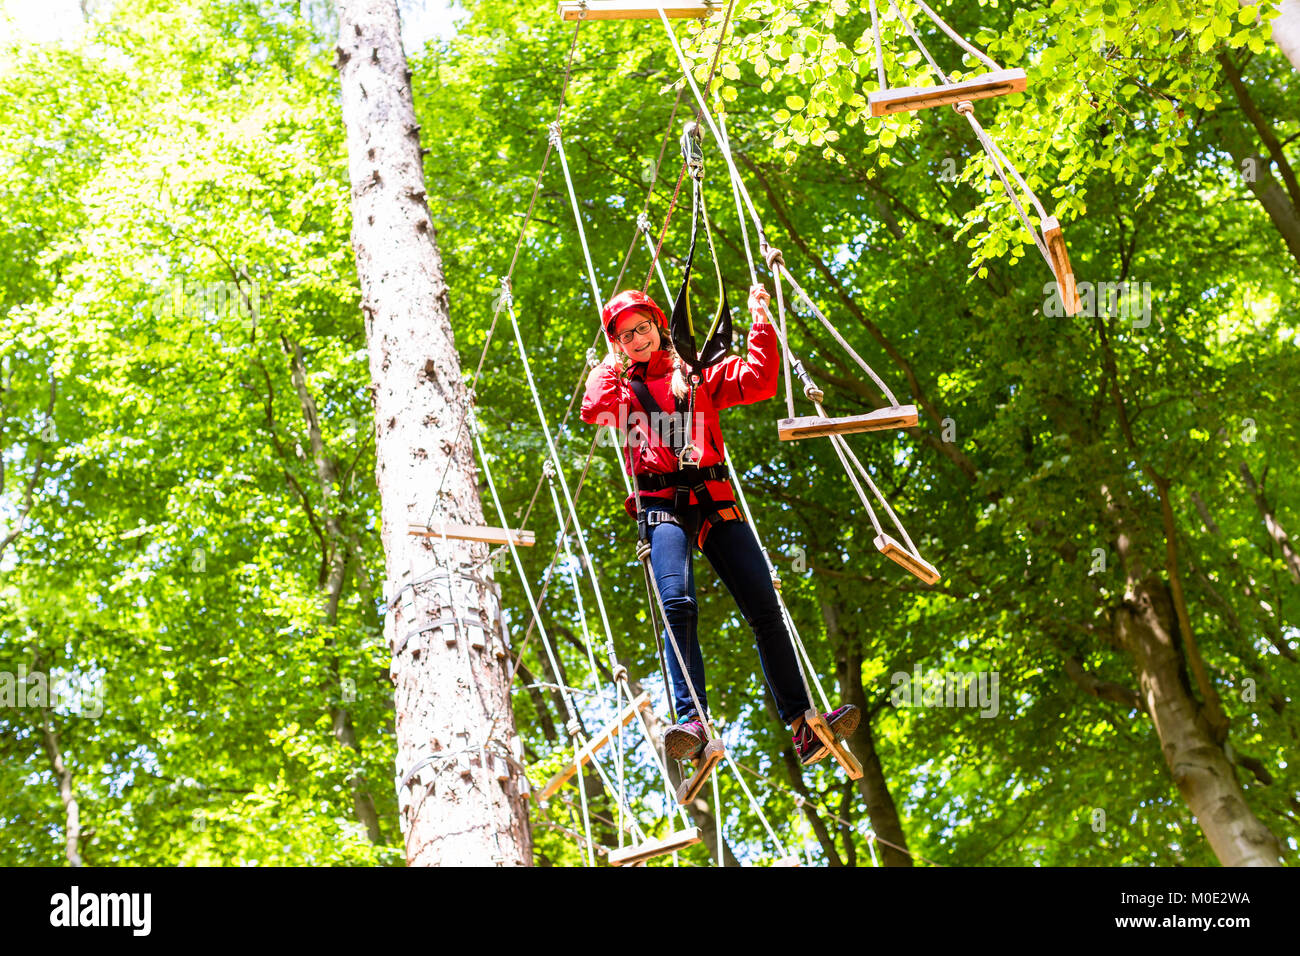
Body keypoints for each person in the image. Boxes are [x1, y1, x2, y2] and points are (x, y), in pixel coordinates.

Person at [580, 284, 859, 766]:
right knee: (678, 605)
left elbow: (759, 380)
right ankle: (692, 721)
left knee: (764, 606)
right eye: (625, 335)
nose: (637, 339)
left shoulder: (697, 374)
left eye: (642, 328)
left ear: (658, 325)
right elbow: (593, 407)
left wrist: (760, 321)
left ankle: (802, 725)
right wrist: (611, 357)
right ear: (618, 344)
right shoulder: (623, 389)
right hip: (662, 505)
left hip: (713, 499)